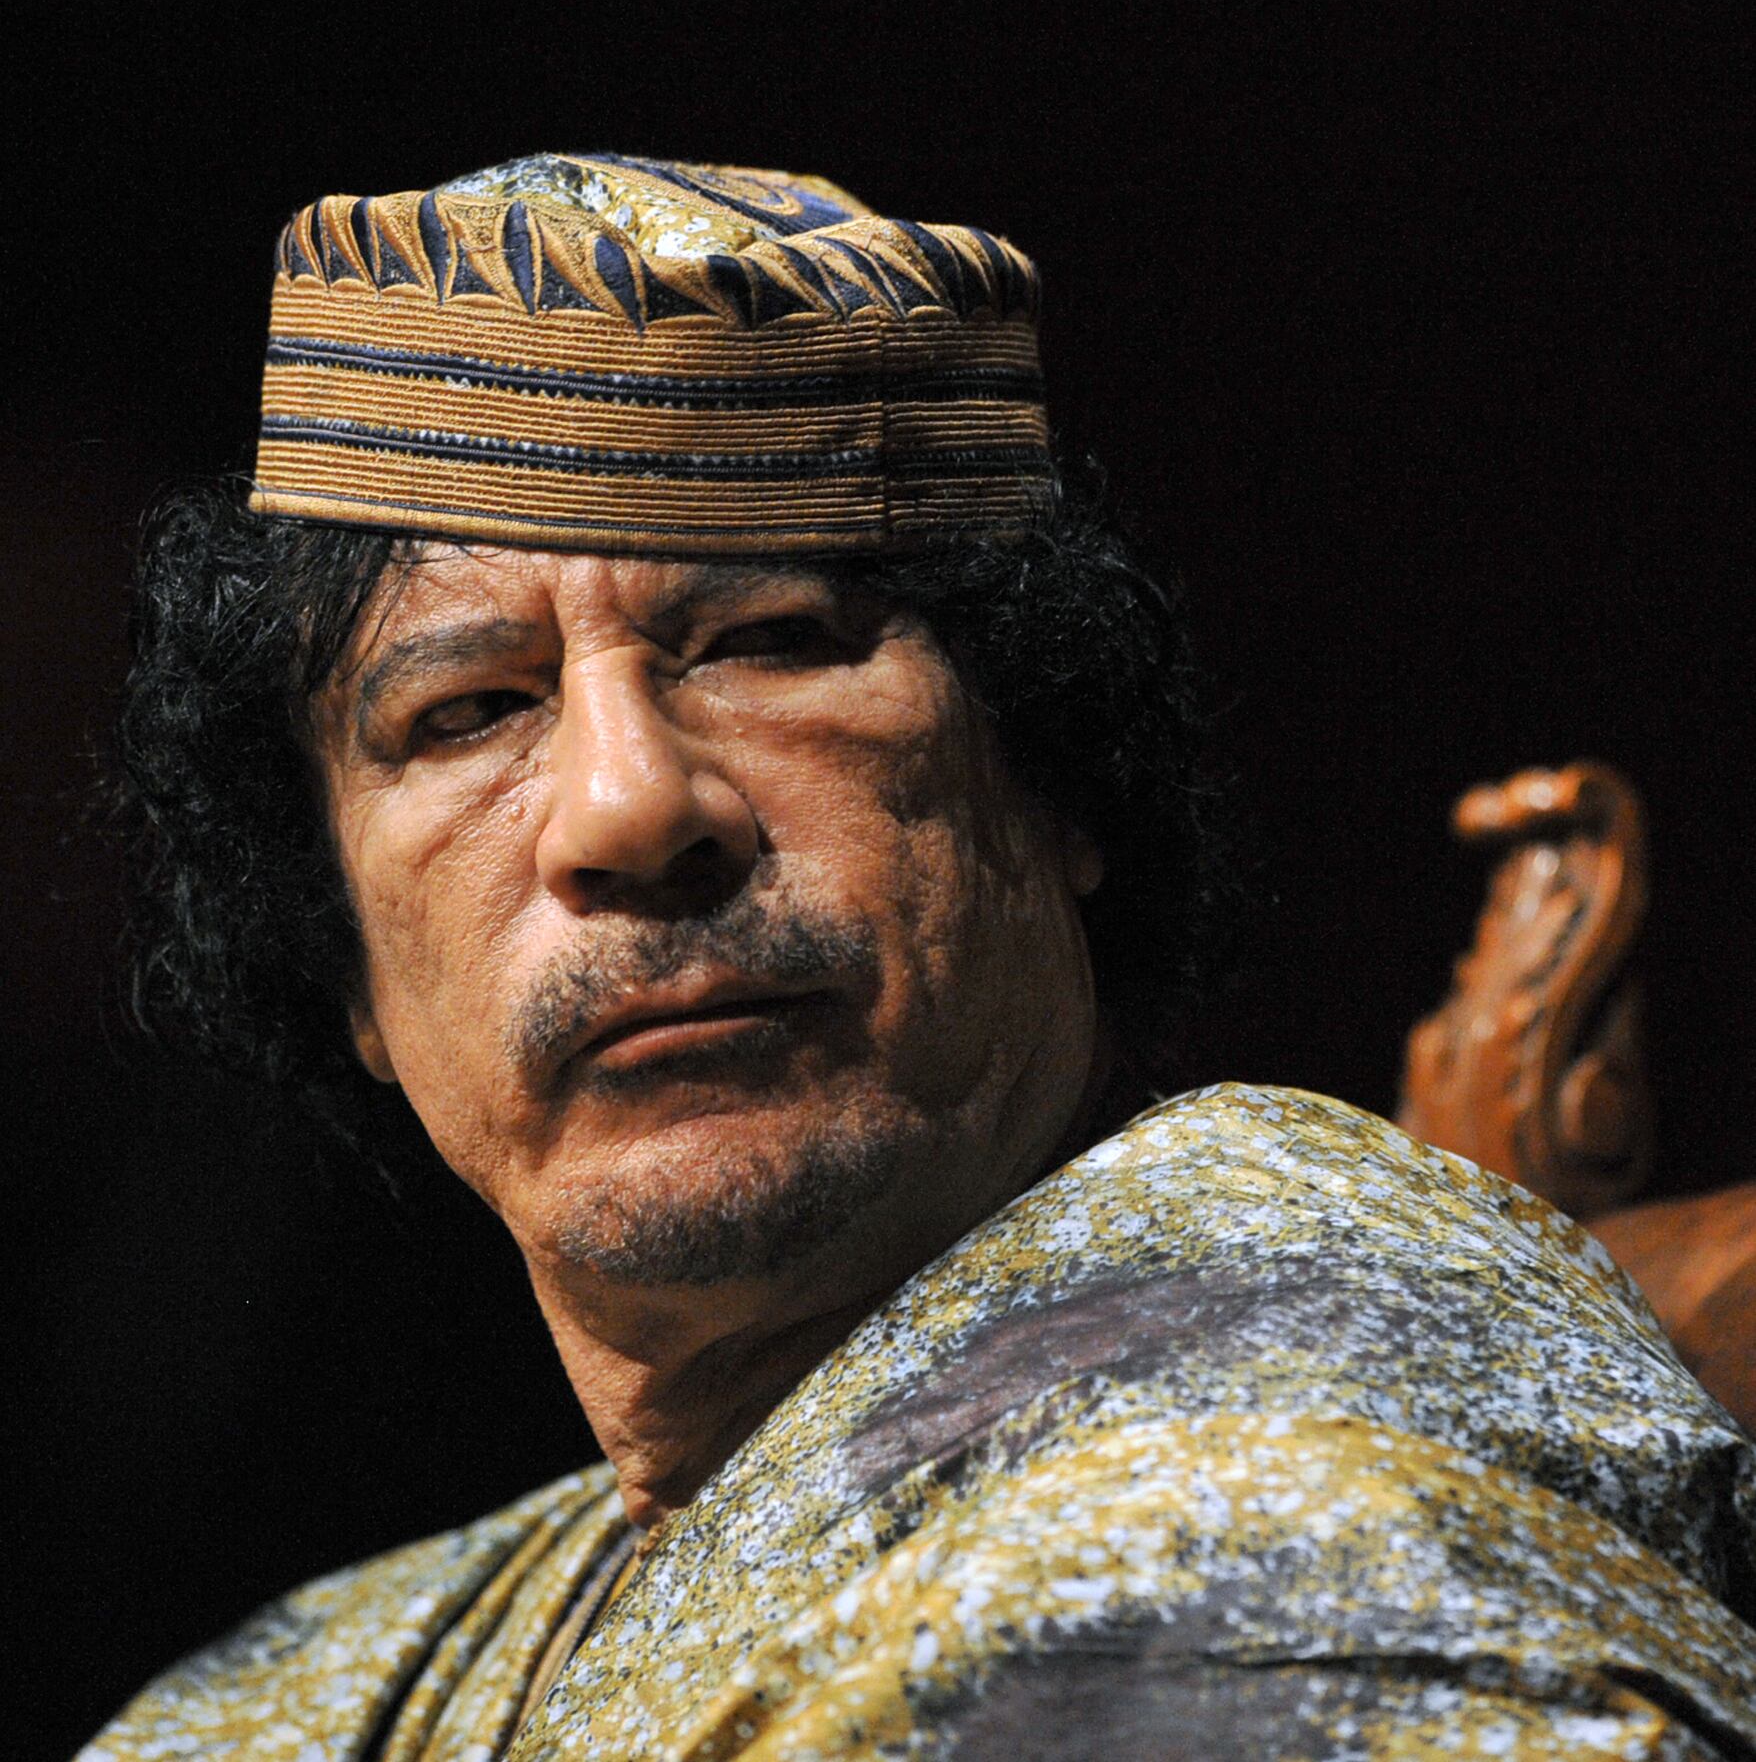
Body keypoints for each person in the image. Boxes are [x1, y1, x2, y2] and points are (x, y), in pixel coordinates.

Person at [85, 154, 1754, 1759]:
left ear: (1055, 782)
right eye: (467, 713)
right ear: (347, 963)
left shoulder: (1287, 1414)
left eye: (770, 641)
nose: (626, 807)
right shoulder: (328, 1685)